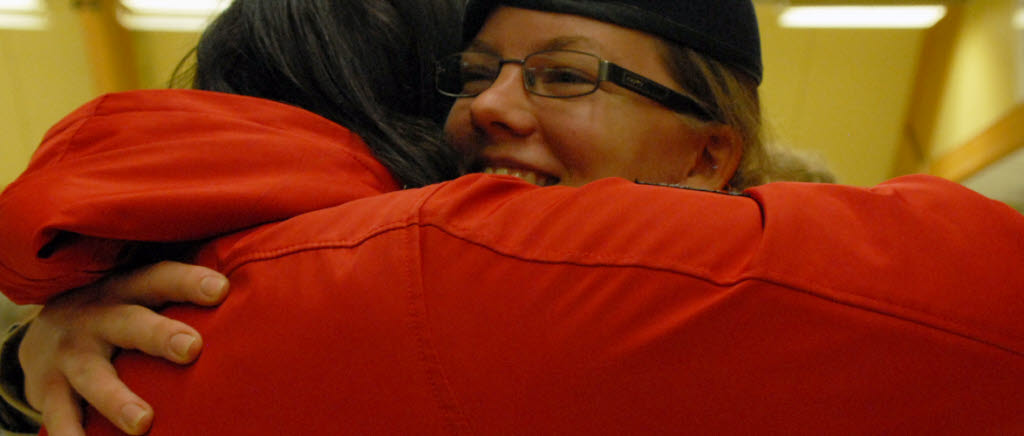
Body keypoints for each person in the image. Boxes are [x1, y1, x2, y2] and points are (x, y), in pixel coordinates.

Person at [3, 0, 1022, 434]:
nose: (486, 109)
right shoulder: (438, 267)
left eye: (565, 77)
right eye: (474, 75)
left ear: (711, 149)